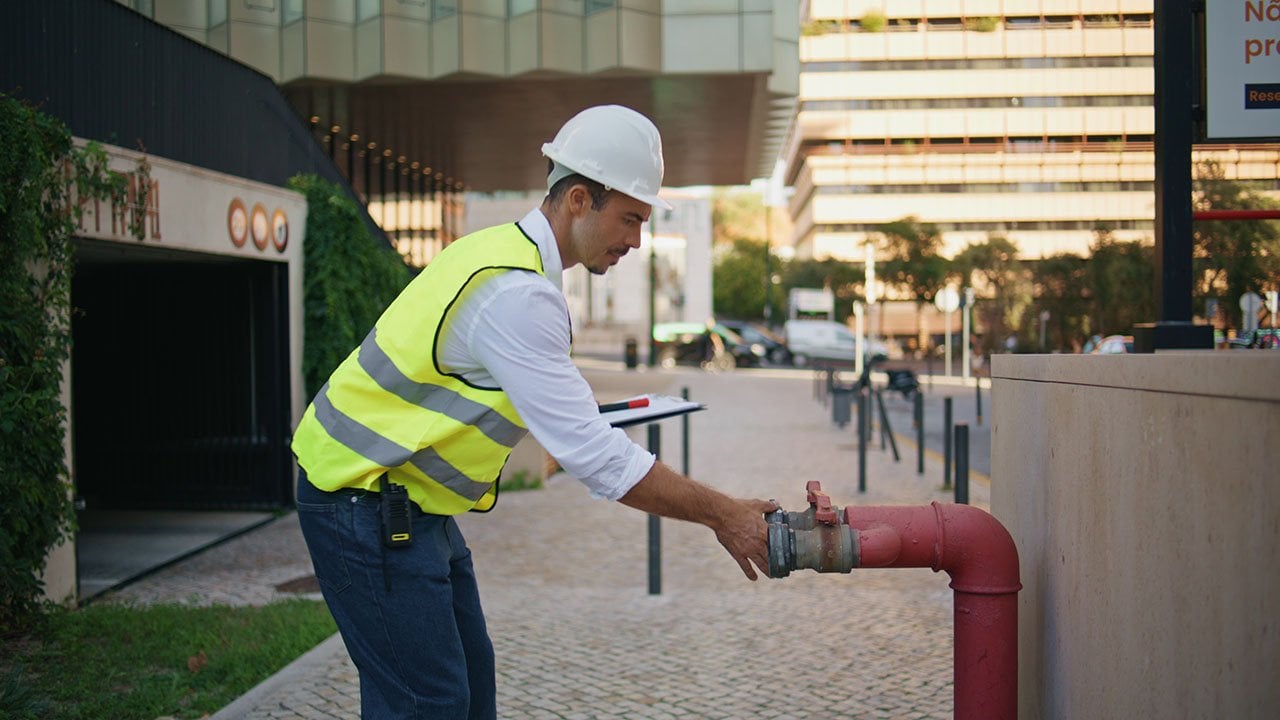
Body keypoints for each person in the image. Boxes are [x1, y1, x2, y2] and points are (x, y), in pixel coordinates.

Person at [290, 105, 777, 720]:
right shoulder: (516, 293)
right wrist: (725, 516)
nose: (637, 240)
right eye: (630, 218)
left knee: (468, 693)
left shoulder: (508, 258)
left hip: (406, 503)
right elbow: (600, 464)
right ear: (578, 199)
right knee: (429, 705)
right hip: (358, 500)